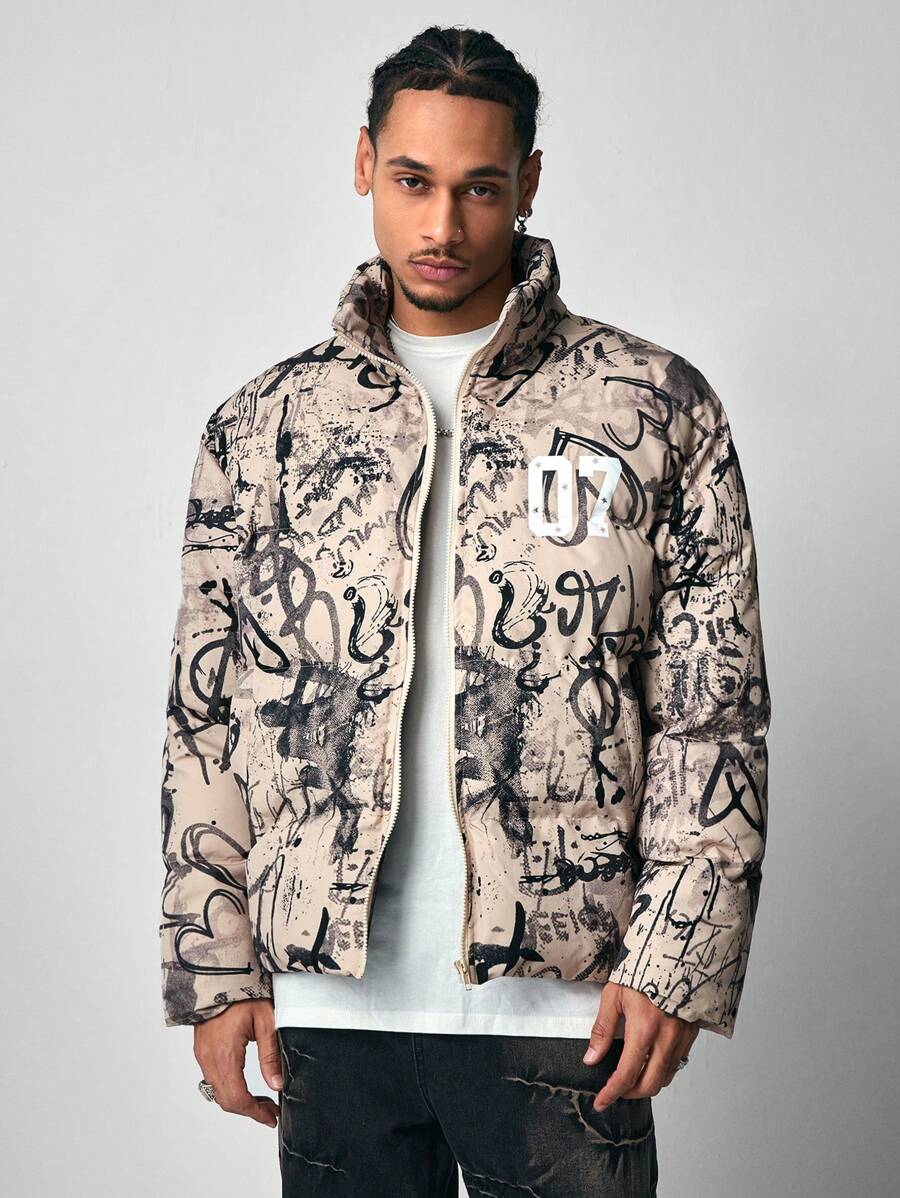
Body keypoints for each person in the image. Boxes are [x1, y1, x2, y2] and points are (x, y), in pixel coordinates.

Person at [159, 24, 771, 1197]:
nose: (443, 225)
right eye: (413, 181)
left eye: (480, 188)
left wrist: (680, 957)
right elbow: (208, 718)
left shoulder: (653, 407)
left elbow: (713, 713)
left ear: (529, 182)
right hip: (332, 1008)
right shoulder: (264, 427)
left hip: (565, 1010)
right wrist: (217, 968)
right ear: (363, 164)